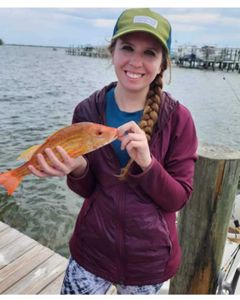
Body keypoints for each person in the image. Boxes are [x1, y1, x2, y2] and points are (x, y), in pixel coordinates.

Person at [28, 8, 198, 295]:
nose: (135, 61)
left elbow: (178, 198)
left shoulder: (179, 119)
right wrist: (78, 169)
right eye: (127, 48)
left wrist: (147, 164)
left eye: (150, 53)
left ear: (163, 64)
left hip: (149, 262)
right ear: (112, 52)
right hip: (91, 251)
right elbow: (88, 189)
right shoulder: (87, 111)